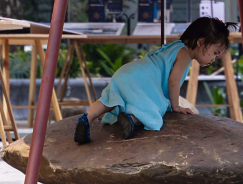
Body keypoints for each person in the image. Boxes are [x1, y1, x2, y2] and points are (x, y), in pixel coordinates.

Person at [74, 16, 231, 142]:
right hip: (143, 79)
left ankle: (86, 118)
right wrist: (175, 106)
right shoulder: (184, 55)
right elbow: (173, 82)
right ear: (200, 42)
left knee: (110, 99)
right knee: (157, 106)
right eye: (215, 52)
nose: (215, 58)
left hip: (127, 72)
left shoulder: (175, 46)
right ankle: (131, 118)